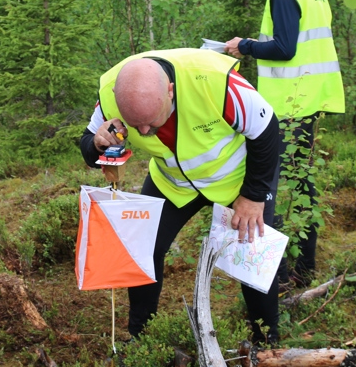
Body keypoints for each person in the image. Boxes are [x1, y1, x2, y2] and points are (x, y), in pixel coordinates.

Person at [79, 48, 284, 344]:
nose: (145, 130)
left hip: (236, 178)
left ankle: (267, 343)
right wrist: (97, 143)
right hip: (173, 181)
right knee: (143, 248)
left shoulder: (214, 81)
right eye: (136, 125)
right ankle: (142, 337)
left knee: (252, 256)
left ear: (170, 91)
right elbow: (88, 145)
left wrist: (253, 196)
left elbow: (266, 130)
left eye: (151, 120)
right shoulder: (114, 90)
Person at [224, 0, 345, 287]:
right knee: (303, 184)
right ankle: (304, 268)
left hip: (290, 105)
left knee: (267, 189)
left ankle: (272, 274)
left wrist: (244, 45)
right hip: (310, 98)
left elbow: (285, 47)